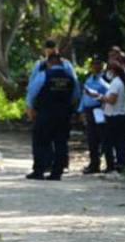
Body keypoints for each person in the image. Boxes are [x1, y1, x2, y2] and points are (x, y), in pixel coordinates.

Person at [25, 48, 81, 180]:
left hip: (45, 113)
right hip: (63, 114)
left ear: (49, 63)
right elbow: (76, 95)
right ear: (61, 63)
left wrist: (30, 108)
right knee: (61, 142)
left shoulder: (44, 75)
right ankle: (57, 172)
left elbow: (32, 92)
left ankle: (39, 170)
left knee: (41, 141)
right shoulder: (70, 77)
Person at [80, 56, 109, 174]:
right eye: (94, 64)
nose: (96, 66)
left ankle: (108, 163)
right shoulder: (89, 79)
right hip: (89, 110)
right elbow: (84, 96)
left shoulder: (105, 79)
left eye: (98, 64)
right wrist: (81, 110)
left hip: (100, 110)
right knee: (92, 139)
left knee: (103, 137)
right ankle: (94, 164)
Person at [101, 62, 125, 173]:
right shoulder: (121, 82)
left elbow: (112, 100)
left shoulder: (116, 83)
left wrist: (100, 97)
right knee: (120, 142)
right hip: (120, 115)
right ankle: (121, 164)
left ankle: (111, 165)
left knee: (109, 142)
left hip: (113, 116)